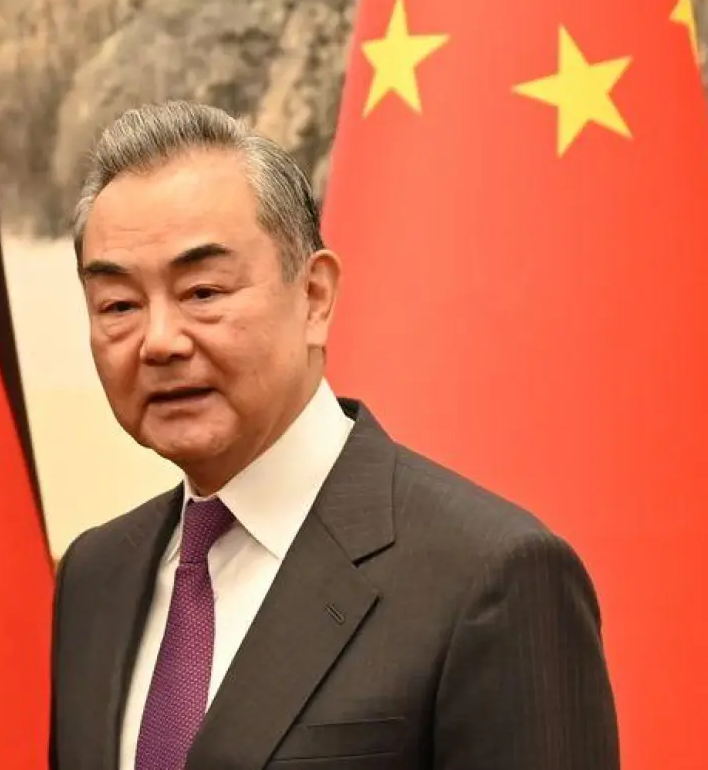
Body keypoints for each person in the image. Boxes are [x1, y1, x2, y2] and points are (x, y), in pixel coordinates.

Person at [49, 100, 619, 770]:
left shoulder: (489, 575)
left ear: (314, 296)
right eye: (118, 305)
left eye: (202, 292)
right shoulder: (95, 575)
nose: (160, 341)